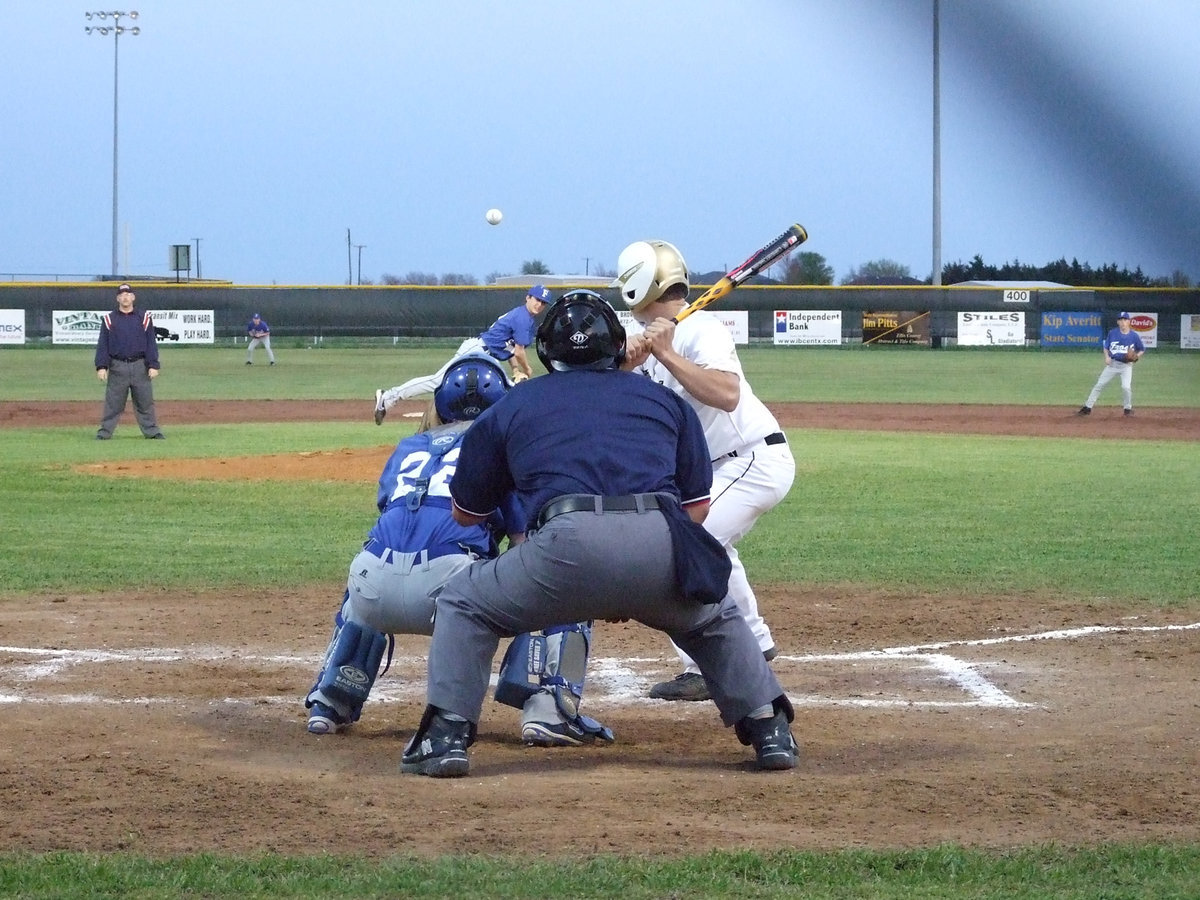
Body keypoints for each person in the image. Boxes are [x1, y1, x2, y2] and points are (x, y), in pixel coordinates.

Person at [399, 290, 798, 778]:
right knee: (714, 615)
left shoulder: (516, 402)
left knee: (463, 601)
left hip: (564, 550)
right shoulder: (665, 400)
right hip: (659, 541)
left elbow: (466, 514)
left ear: (547, 350)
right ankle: (769, 727)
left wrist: (590, 574)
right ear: (616, 345)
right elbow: (695, 511)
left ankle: (445, 738)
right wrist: (633, 581)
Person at [306, 351, 612, 748]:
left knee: (367, 573)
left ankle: (331, 699)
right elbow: (525, 542)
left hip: (373, 590)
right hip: (449, 597)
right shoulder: (502, 448)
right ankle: (550, 709)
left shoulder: (407, 446)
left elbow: (394, 518)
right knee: (559, 576)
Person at [611, 240, 795, 702]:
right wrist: (624, 367)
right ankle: (754, 641)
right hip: (710, 471)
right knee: (709, 544)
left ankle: (704, 665)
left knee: (682, 549)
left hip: (752, 458)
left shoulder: (702, 330)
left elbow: (727, 394)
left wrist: (667, 353)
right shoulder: (646, 337)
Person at [372, 284, 552, 425]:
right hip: (476, 351)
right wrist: (527, 369)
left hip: (486, 356)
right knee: (439, 381)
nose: (539, 304)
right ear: (527, 297)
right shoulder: (523, 318)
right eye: (536, 299)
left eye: (543, 303)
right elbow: (519, 351)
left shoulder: (522, 316)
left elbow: (510, 348)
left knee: (502, 389)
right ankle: (388, 397)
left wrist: (515, 370)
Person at [94, 283, 165, 440]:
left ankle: (152, 431)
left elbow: (151, 343)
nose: (125, 297)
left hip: (140, 365)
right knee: (113, 403)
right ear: (118, 298)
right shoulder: (109, 319)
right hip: (117, 365)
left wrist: (153, 364)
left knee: (145, 401)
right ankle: (105, 432)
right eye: (122, 295)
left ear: (133, 297)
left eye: (128, 294)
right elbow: (103, 344)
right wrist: (101, 366)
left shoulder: (144, 318)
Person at [1077, 311, 1145, 417]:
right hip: (1113, 364)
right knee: (1099, 385)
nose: (1123, 322)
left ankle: (1128, 409)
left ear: (1129, 322)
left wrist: (1136, 357)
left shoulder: (1134, 336)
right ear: (1118, 322)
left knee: (1126, 387)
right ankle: (1087, 408)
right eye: (1121, 320)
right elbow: (1106, 347)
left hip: (1126, 366)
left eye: (1125, 320)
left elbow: (1141, 349)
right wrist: (1107, 357)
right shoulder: (1113, 333)